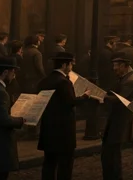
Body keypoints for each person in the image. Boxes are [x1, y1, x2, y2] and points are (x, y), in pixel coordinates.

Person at [37, 52, 89, 180]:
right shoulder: (64, 82)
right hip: (63, 129)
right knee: (65, 163)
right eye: (71, 64)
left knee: (49, 162)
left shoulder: (45, 81)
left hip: (48, 126)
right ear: (64, 65)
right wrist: (85, 96)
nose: (71, 67)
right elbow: (70, 102)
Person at [102, 53, 133, 180]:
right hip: (118, 117)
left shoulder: (130, 81)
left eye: (116, 66)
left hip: (121, 119)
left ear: (124, 66)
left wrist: (101, 96)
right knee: (111, 149)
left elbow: (120, 99)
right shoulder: (127, 77)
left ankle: (114, 176)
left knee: (113, 150)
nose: (114, 69)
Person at [0, 56, 24, 180]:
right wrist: (20, 120)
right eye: (13, 72)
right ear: (5, 72)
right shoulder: (0, 91)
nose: (14, 75)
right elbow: (3, 119)